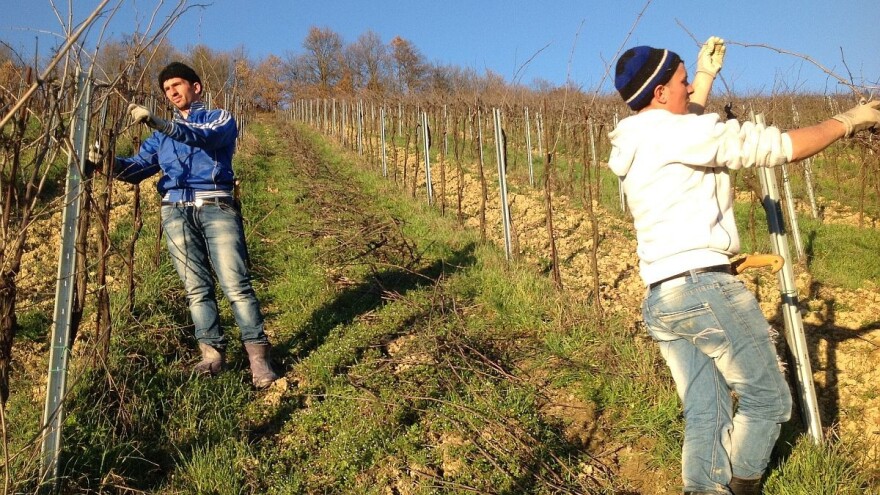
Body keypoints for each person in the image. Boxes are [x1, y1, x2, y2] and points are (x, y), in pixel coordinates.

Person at [608, 37, 880, 495]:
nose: (690, 85)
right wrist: (847, 122)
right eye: (682, 81)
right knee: (770, 402)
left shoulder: (637, 139)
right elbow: (778, 147)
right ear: (658, 93)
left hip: (662, 299)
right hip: (703, 290)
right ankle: (742, 484)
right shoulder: (680, 133)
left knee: (706, 410)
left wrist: (706, 77)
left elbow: (683, 118)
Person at [100, 62, 280, 389]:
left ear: (196, 87)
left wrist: (162, 124)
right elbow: (138, 169)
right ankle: (212, 355)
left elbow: (204, 139)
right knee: (196, 288)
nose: (172, 93)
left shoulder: (218, 118)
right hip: (175, 212)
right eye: (167, 90)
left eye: (177, 85)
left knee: (235, 284)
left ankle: (258, 356)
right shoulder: (160, 137)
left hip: (216, 206)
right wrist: (103, 163)